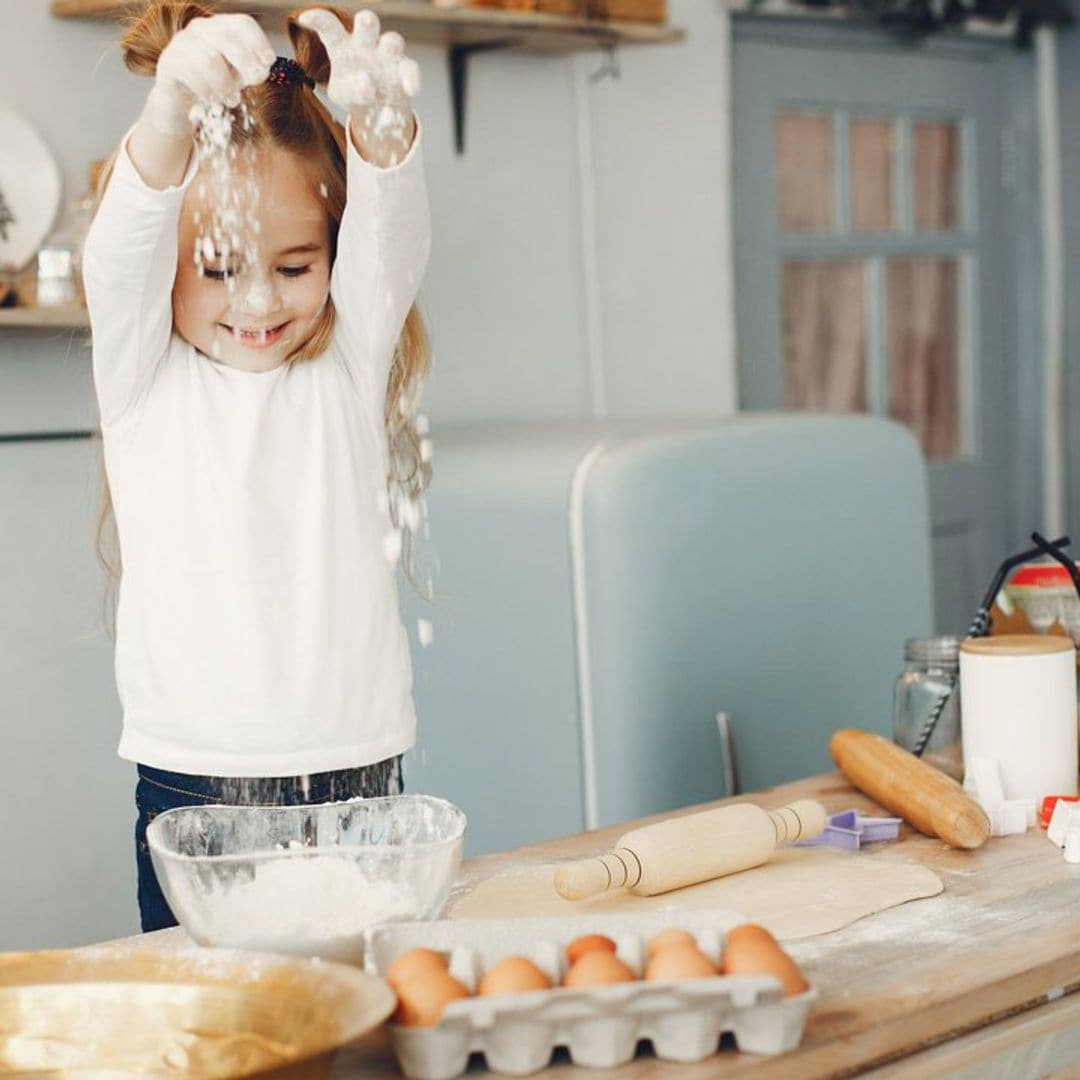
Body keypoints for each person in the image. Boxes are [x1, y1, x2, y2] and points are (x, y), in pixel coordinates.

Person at [83, 1, 431, 932]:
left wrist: (382, 130)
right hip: (193, 789)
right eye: (218, 265)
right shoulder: (143, 377)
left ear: (331, 258)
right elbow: (116, 261)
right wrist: (167, 118)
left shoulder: (349, 364)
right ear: (171, 267)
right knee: (220, 1038)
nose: (255, 302)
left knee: (357, 1026)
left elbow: (392, 248)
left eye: (293, 266)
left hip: (358, 779)